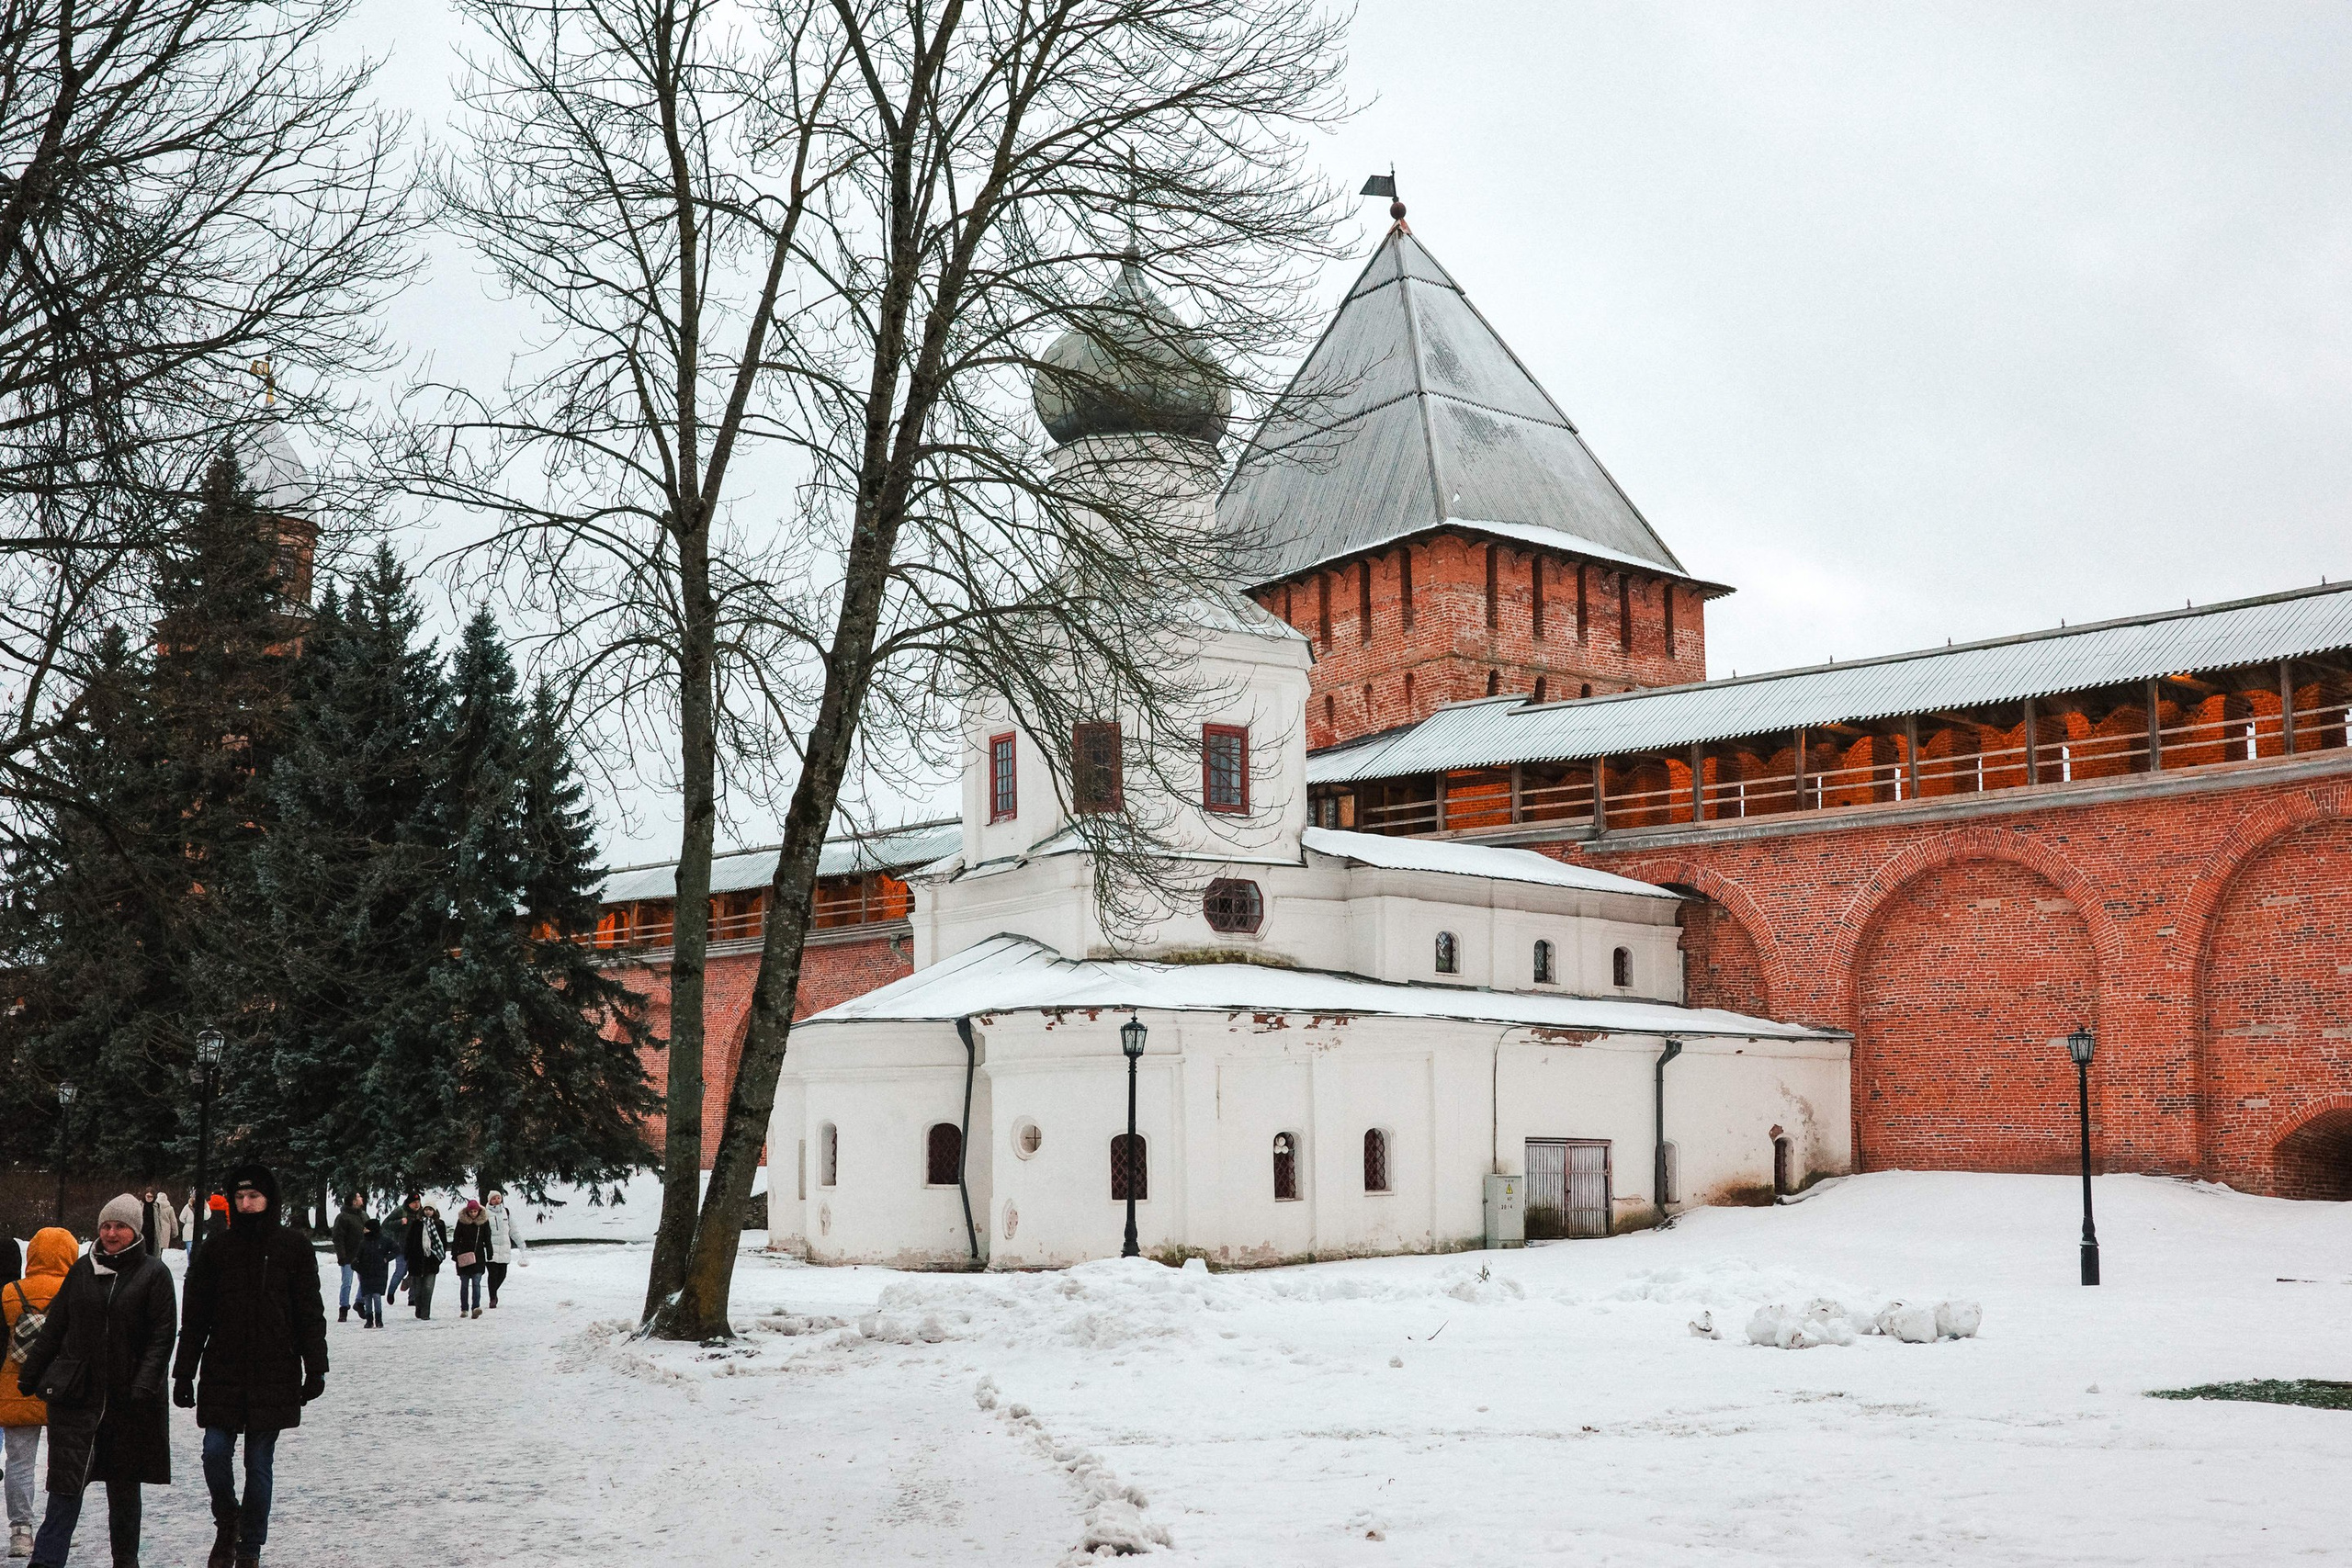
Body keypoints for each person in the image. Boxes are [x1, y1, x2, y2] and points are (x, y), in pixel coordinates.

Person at [175, 1165, 327, 1568]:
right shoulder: (216, 1249)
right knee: (213, 1454)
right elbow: (195, 1316)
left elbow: (309, 1312)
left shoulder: (292, 1247)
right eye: (240, 1197)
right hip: (223, 1369)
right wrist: (183, 1371)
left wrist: (316, 1367)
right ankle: (228, 1520)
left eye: (253, 1196)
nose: (246, 1204)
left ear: (269, 1200)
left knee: (259, 1464)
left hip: (274, 1371)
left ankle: (249, 1546)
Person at [18, 1195, 175, 1568]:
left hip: (128, 1400)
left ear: (135, 1230)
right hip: (77, 1395)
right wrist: (32, 1372)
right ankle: (46, 1561)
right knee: (65, 1485)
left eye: (120, 1226)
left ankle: (126, 1560)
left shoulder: (153, 1273)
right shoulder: (81, 1271)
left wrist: (144, 1382)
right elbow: (56, 1326)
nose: (111, 1233)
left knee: (124, 1489)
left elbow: (162, 1335)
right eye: (106, 1226)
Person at [1, 1229, 75, 1559]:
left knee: (19, 1463)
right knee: (65, 1462)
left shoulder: (10, 1292)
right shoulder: (76, 1291)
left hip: (16, 1389)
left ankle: (20, 1531)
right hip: (65, 1389)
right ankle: (58, 1528)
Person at [401, 1202, 447, 1320]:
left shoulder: (439, 1224)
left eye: (430, 1209)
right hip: (417, 1260)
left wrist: (439, 1257)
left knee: (428, 1287)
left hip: (432, 1259)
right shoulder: (417, 1224)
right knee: (418, 1288)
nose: (428, 1212)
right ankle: (419, 1308)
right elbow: (409, 1240)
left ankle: (426, 1313)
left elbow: (443, 1242)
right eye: (426, 1209)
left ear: (435, 1211)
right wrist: (408, 1256)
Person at [481, 1190, 526, 1309]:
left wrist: (520, 1243)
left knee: (502, 1274)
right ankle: (493, 1298)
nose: (496, 1200)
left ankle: (493, 1292)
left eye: (498, 1198)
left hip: (505, 1248)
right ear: (489, 1201)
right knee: (493, 1274)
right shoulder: (485, 1213)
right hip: (491, 1249)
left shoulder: (506, 1212)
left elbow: (513, 1230)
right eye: (494, 1198)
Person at [328, 1196, 368, 1325]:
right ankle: (343, 1308)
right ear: (354, 1202)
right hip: (349, 1256)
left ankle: (360, 1302)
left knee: (365, 1280)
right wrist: (341, 1256)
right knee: (347, 1282)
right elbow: (338, 1237)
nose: (361, 1199)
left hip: (362, 1255)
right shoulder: (343, 1217)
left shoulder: (363, 1215)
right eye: (359, 1197)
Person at [449, 1202, 492, 1320]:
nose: (473, 1214)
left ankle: (475, 1307)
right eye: (471, 1212)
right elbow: (456, 1237)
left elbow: (487, 1237)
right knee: (464, 1284)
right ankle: (464, 1308)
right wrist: (454, 1253)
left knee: (476, 1283)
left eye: (475, 1211)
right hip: (463, 1256)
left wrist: (490, 1251)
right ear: (467, 1212)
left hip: (478, 1257)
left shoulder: (483, 1222)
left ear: (478, 1211)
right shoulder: (462, 1222)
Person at [353, 1222, 397, 1329]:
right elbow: (358, 1257)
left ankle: (378, 1319)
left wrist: (386, 1258)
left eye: (366, 1228)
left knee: (376, 1296)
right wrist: (358, 1267)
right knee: (367, 1297)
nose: (364, 1230)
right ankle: (369, 1319)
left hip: (379, 1273)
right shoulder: (363, 1242)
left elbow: (396, 1249)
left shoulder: (384, 1240)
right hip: (366, 1273)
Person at [382, 1193, 422, 1306]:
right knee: (401, 1271)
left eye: (418, 1202)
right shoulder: (400, 1211)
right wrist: (399, 1222)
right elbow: (386, 1224)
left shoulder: (421, 1212)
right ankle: (391, 1292)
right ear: (408, 1203)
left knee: (414, 1273)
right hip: (401, 1247)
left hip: (416, 1248)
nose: (416, 1205)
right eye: (414, 1203)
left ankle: (412, 1298)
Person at [137, 1189, 175, 1259]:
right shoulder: (140, 1205)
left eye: (151, 1196)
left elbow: (159, 1219)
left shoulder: (156, 1206)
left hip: (153, 1232)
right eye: (148, 1196)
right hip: (142, 1231)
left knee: (153, 1252)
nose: (149, 1198)